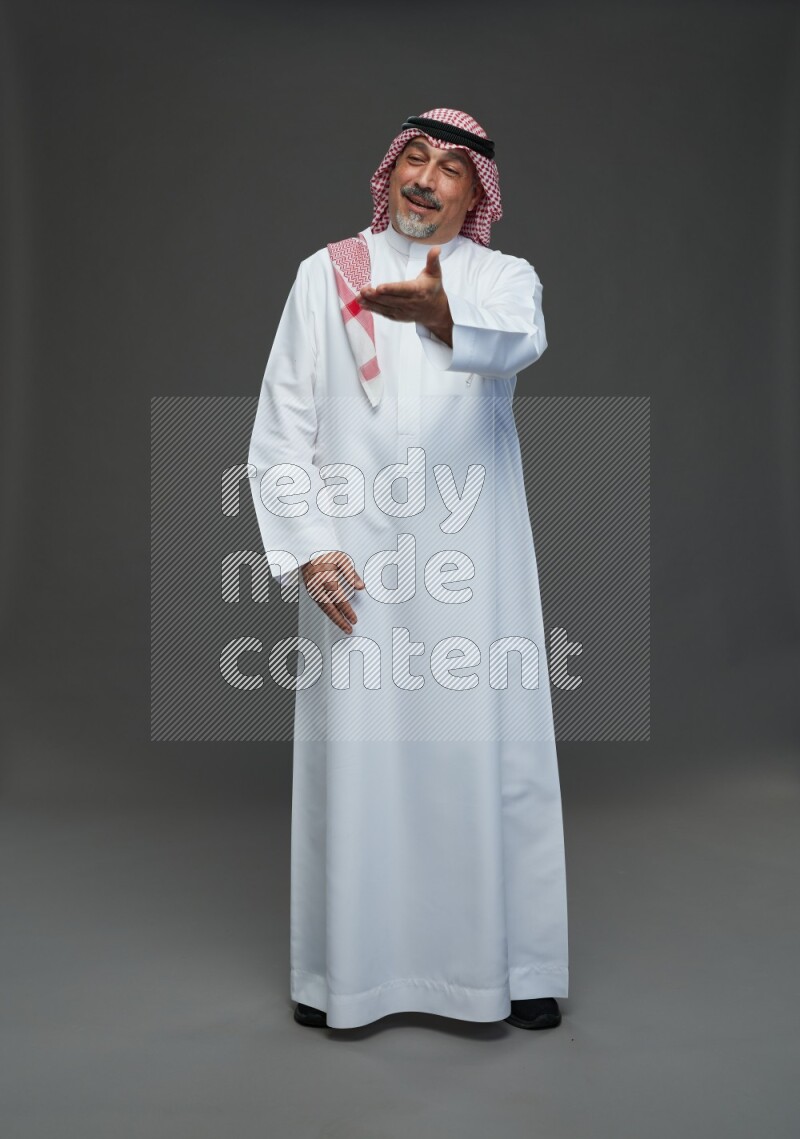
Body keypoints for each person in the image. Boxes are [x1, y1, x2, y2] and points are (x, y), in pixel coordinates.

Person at [247, 108, 568, 1032]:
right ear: (390, 172)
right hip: (356, 559)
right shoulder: (326, 276)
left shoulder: (502, 280)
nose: (427, 179)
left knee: (486, 744)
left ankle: (516, 964)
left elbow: (520, 343)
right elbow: (282, 427)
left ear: (477, 196)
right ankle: (348, 973)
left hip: (477, 558)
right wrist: (310, 546)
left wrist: (440, 314)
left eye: (451, 169)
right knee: (361, 759)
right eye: (415, 160)